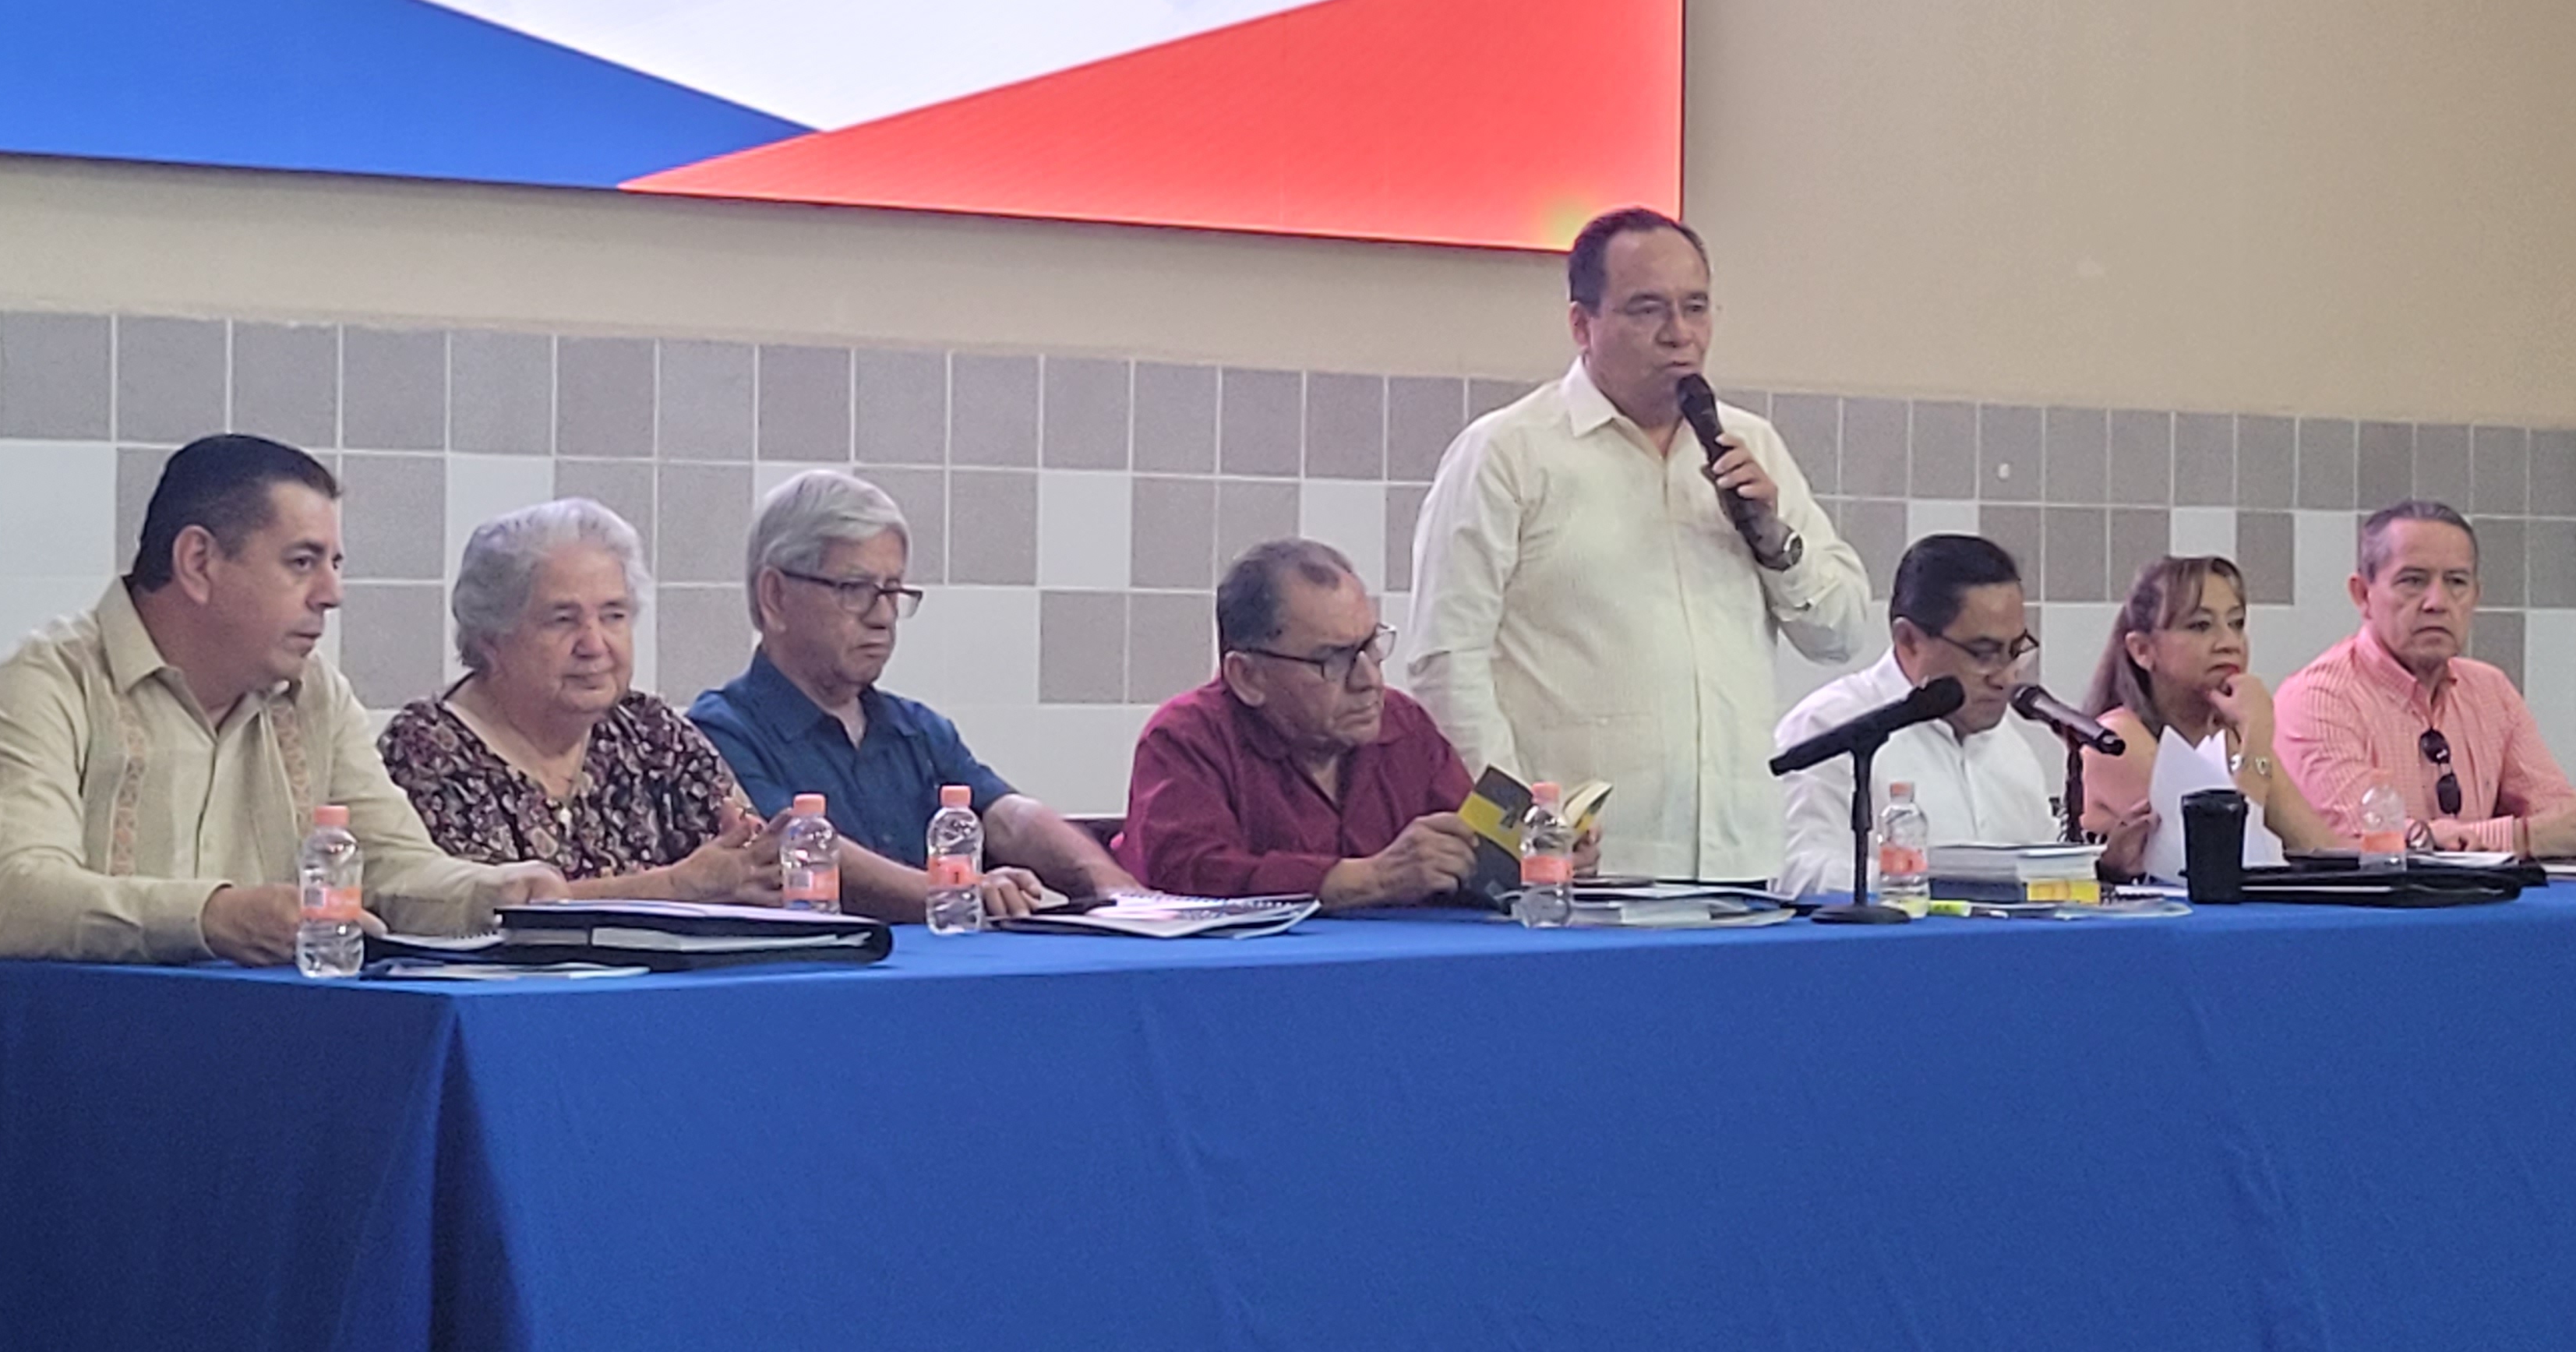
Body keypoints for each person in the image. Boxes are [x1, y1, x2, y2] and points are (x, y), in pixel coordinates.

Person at [0, 435, 563, 1085]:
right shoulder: (42, 687)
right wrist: (216, 917)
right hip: (18, 1090)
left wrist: (495, 894)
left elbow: (391, 868)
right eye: (302, 562)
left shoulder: (315, 697)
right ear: (198, 563)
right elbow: (19, 901)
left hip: (226, 1078)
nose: (332, 593)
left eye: (335, 563)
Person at [1403, 207, 1871, 884]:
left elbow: (1841, 633)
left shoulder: (1751, 445)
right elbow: (1445, 663)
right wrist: (1523, 836)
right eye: (1647, 310)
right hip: (1586, 869)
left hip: (1741, 861)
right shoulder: (1508, 452)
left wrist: (1774, 541)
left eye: (1696, 307)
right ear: (1582, 324)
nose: (1680, 334)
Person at [690, 470, 1142, 921]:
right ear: (775, 597)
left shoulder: (918, 730)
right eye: (855, 590)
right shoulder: (717, 734)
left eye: (892, 591)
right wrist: (955, 892)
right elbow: (792, 845)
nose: (883, 616)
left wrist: (1111, 884)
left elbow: (1007, 817)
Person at [380, 499, 779, 902]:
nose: (594, 645)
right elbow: (482, 909)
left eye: (613, 616)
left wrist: (753, 863)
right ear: (491, 640)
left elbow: (751, 863)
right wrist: (671, 888)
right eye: (563, 620)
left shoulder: (652, 731)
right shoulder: (426, 750)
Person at [1118, 539, 1491, 909]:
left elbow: (1484, 855)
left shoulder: (1404, 727)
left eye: (1371, 647)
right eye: (1333, 660)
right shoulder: (1186, 739)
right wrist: (1367, 880)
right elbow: (1187, 876)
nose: (1369, 680)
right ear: (1248, 677)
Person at [2274, 499, 2576, 856]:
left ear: (2476, 596)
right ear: (2363, 595)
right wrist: (2522, 839)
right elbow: (2361, 842)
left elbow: (2553, 812)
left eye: (2456, 582)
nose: (2437, 602)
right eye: (2413, 581)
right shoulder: (2317, 699)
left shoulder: (2491, 691)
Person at [1775, 535, 2057, 897]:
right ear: (1909, 640)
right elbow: (1796, 872)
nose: (2006, 677)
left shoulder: (2012, 750)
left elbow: (2044, 872)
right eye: (1984, 653)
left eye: (2016, 651)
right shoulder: (1827, 726)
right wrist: (1919, 884)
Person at [2079, 556, 2344, 856]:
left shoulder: (2230, 734)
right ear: (2142, 650)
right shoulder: (2115, 740)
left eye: (2237, 623)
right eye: (2201, 626)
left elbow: (2323, 850)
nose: (2229, 643)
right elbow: (2227, 854)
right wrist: (2257, 734)